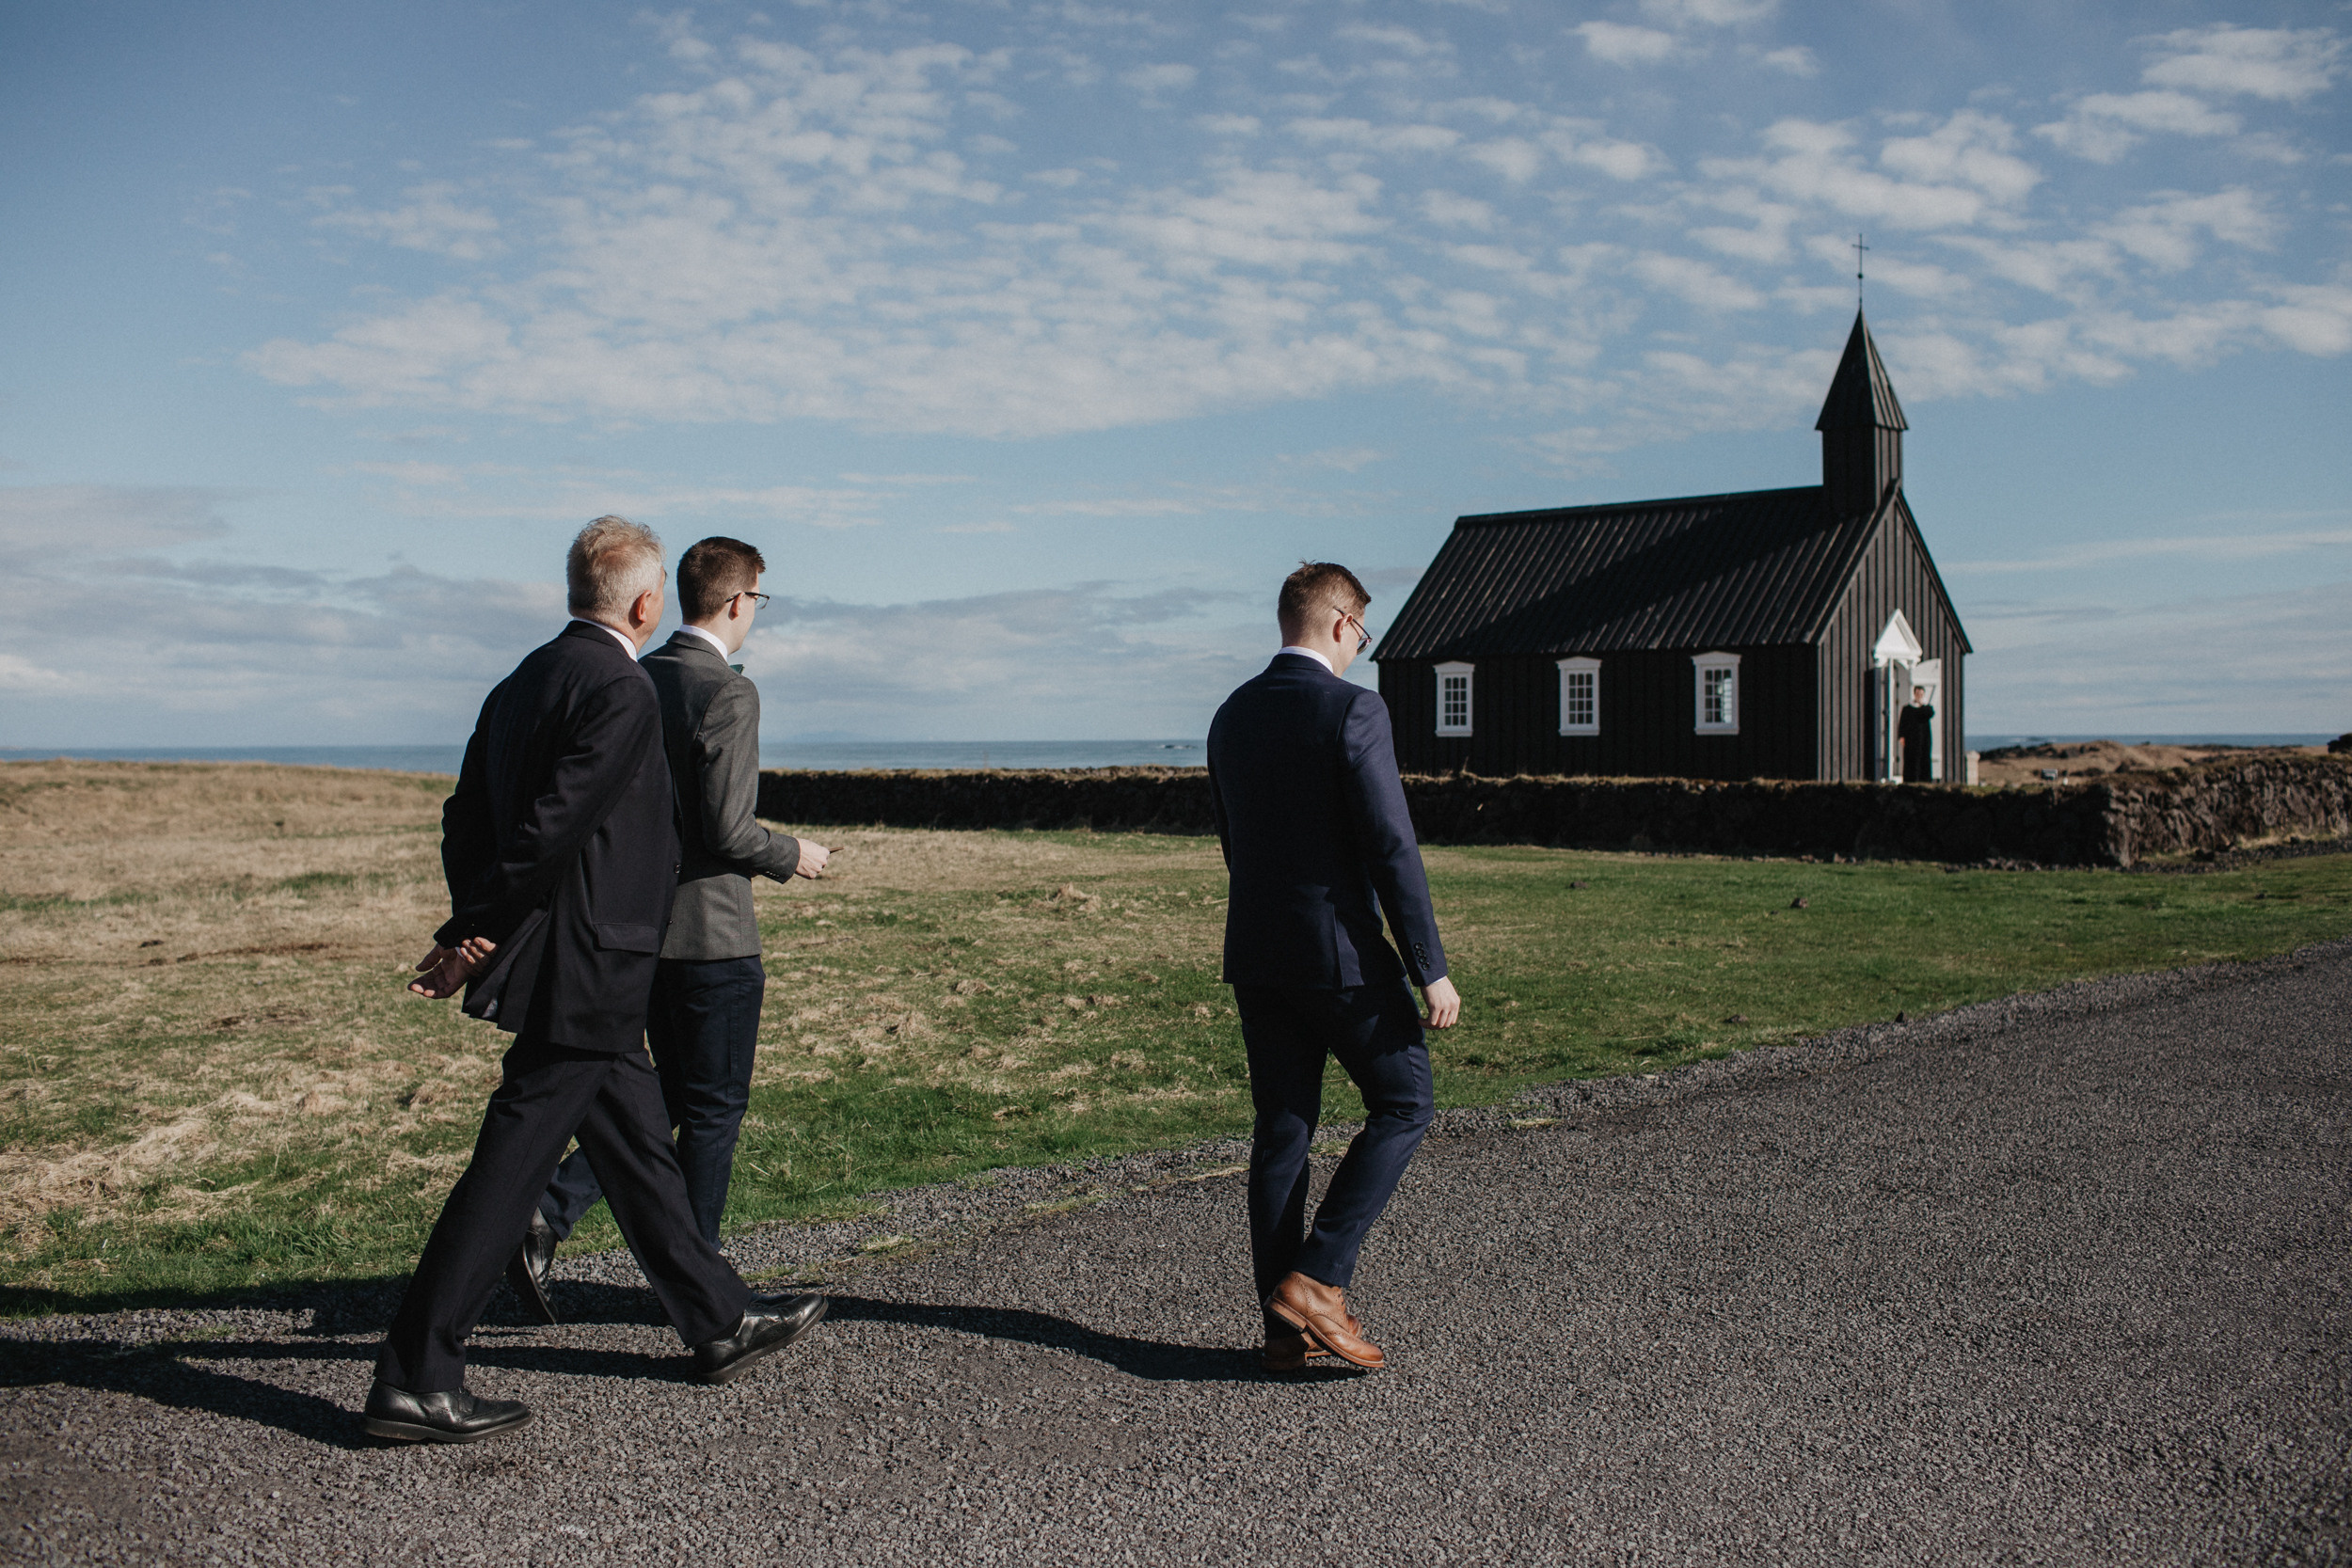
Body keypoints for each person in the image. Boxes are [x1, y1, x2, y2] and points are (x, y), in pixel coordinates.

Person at [365, 516, 827, 1445]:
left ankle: (718, 1317)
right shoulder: (617, 687)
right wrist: (475, 934)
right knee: (507, 1170)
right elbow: (553, 826)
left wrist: (474, 918)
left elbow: (467, 817)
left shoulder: (525, 678)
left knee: (639, 1150)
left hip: (587, 966)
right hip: (592, 964)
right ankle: (416, 1377)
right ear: (648, 603)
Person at [510, 536, 830, 1320]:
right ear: (736, 601)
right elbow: (728, 829)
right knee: (713, 1108)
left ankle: (548, 1210)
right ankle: (704, 1287)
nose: (755, 612)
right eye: (758, 600)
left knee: (657, 1107)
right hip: (714, 936)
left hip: (638, 930)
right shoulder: (727, 691)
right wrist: (795, 854)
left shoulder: (636, 675)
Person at [1205, 562, 1462, 1374]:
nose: (1362, 649)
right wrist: (1430, 966)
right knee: (1405, 1098)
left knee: (1283, 1130)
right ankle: (1318, 1280)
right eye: (1365, 635)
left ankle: (1281, 1332)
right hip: (1340, 956)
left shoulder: (1230, 715)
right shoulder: (1356, 709)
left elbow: (1235, 843)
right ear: (1343, 622)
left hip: (1256, 952)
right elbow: (1392, 844)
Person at [1899, 683, 1936, 783]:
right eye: (1917, 693)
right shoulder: (1907, 709)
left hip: (1924, 738)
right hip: (1911, 739)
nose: (1919, 696)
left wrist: (1921, 704)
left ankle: (1925, 780)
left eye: (1921, 694)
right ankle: (1910, 780)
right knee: (1911, 760)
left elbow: (1930, 714)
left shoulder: (1927, 708)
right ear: (1914, 694)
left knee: (1924, 759)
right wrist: (1901, 736)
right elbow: (1902, 723)